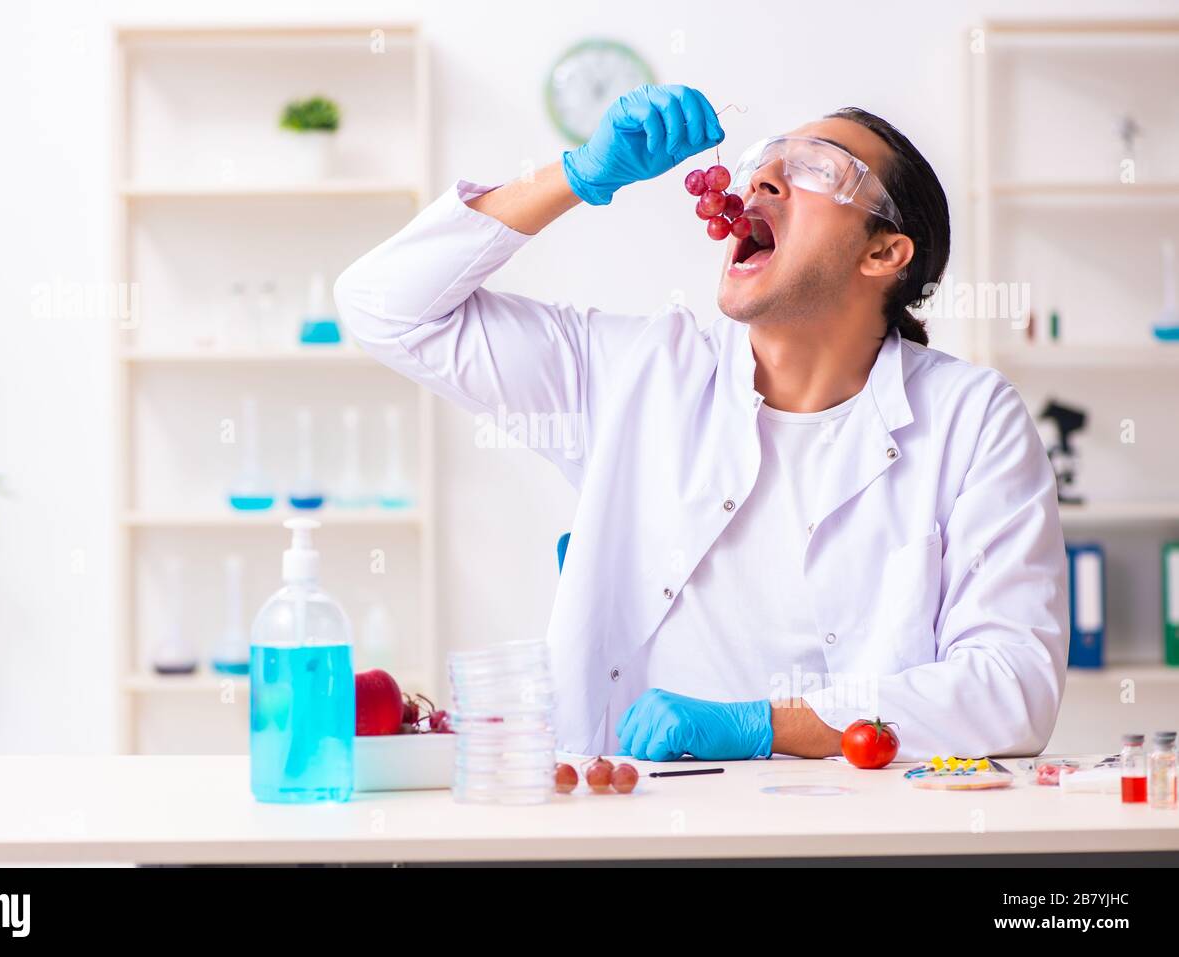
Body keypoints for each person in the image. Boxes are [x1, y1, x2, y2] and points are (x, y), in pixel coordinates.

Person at [335, 84, 1068, 761]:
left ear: (885, 252)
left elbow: (1013, 688)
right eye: (761, 165)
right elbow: (382, 306)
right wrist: (577, 176)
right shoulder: (635, 375)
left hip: (859, 832)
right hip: (634, 823)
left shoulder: (972, 421)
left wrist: (764, 725)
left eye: (816, 168)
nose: (761, 180)